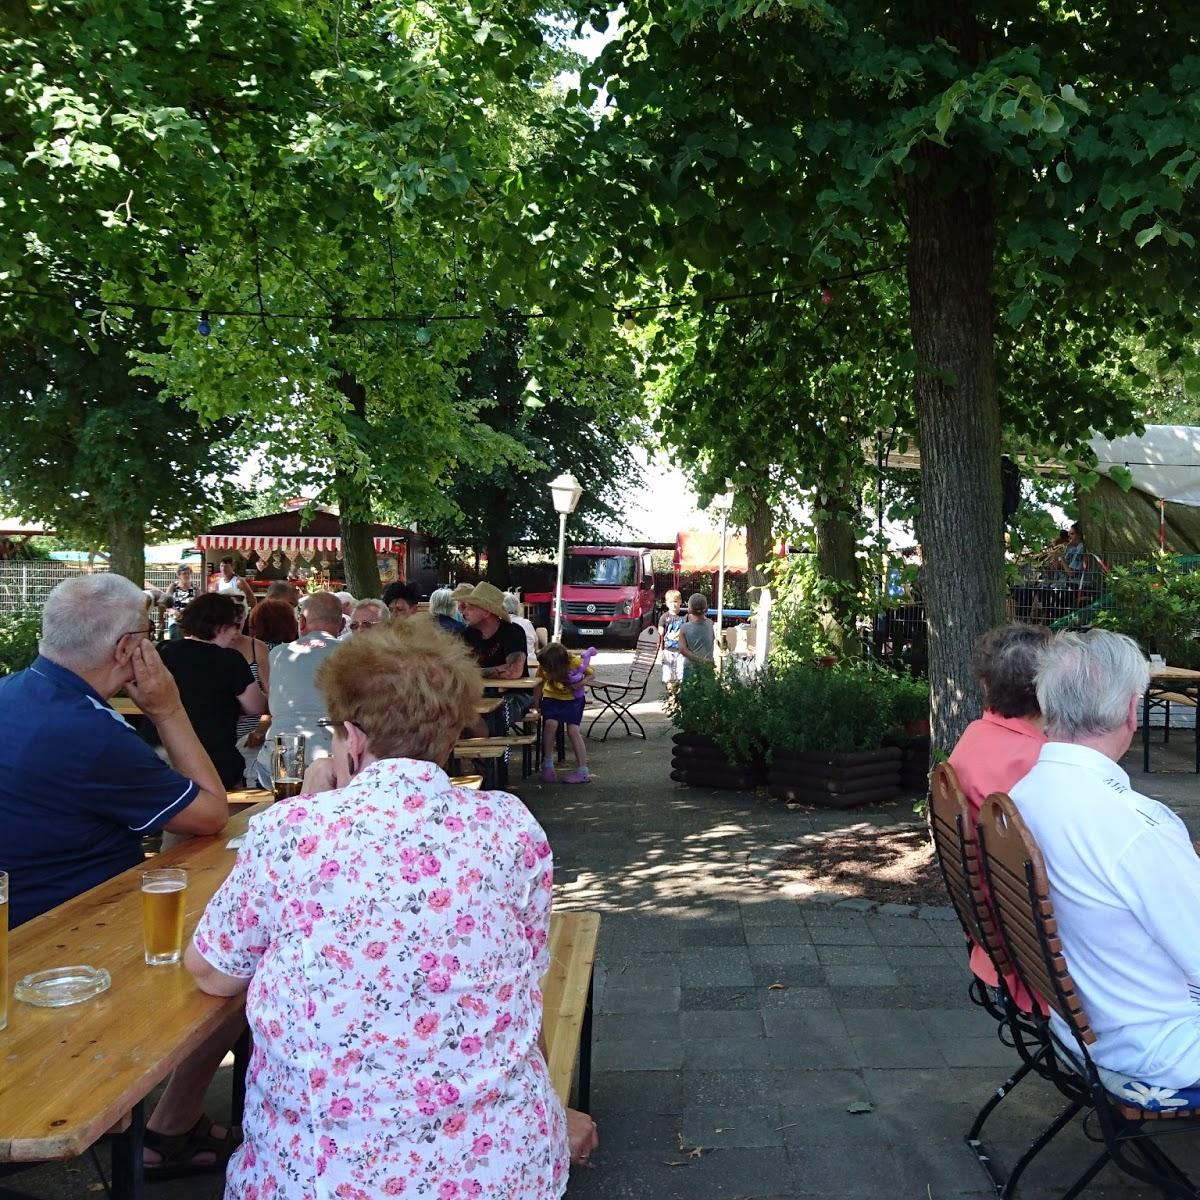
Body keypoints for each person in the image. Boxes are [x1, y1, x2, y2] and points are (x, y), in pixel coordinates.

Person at [186, 620, 599, 1199]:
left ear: (352, 738)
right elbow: (522, 975)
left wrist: (309, 810)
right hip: (504, 1168)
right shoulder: (511, 825)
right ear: (448, 736)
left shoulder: (291, 830)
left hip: (321, 1177)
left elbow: (212, 971)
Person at [0, 573, 235, 1173]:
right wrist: (171, 709)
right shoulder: (81, 728)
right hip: (74, 937)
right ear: (129, 648)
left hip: (30, 920)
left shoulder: (16, 695)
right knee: (237, 959)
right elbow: (209, 813)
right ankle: (167, 1131)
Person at [1010, 629, 1200, 1088]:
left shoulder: (1022, 796)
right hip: (1158, 1045)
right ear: (1134, 711)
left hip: (1079, 1024)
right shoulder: (1138, 827)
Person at [947, 622, 1049, 1010]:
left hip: (993, 949)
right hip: (1035, 970)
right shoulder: (1037, 762)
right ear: (1047, 690)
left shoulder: (976, 736)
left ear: (987, 684)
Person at [153, 595, 267, 789]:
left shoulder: (164, 650)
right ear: (220, 627)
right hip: (212, 758)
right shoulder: (230, 659)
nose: (236, 633)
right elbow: (256, 706)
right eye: (235, 626)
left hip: (161, 756)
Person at [253, 591, 343, 786]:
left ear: (301, 622)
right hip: (333, 763)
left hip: (278, 762)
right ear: (343, 625)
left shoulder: (277, 654)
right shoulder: (354, 654)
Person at [535, 642, 594, 784]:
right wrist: (536, 704)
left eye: (548, 669)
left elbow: (591, 674)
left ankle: (582, 770)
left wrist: (580, 683)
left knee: (573, 730)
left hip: (573, 699)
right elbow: (539, 683)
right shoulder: (544, 664)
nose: (545, 670)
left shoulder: (574, 662)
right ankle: (548, 764)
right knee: (550, 724)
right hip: (551, 697)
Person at [677, 592, 715, 676]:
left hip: (690, 668)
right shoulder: (710, 624)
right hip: (708, 667)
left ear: (689, 610)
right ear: (706, 609)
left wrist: (700, 660)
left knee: (690, 689)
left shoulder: (684, 628)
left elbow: (682, 649)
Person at [503, 590, 539, 673]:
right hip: (532, 670)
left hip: (512, 671)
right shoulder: (527, 623)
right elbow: (535, 646)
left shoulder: (499, 625)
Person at [657, 589, 686, 692]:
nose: (673, 604)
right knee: (668, 675)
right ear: (666, 603)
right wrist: (660, 652)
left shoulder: (685, 617)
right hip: (668, 649)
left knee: (680, 673)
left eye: (676, 601)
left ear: (680, 602)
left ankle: (679, 693)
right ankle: (670, 695)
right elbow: (660, 636)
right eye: (671, 602)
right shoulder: (664, 618)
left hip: (681, 650)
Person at [164, 565, 197, 640]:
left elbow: (201, 603)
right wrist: (172, 611)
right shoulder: (173, 586)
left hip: (190, 620)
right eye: (184, 573)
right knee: (176, 642)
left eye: (188, 573)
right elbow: (166, 602)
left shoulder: (195, 588)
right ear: (179, 575)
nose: (187, 575)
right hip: (176, 620)